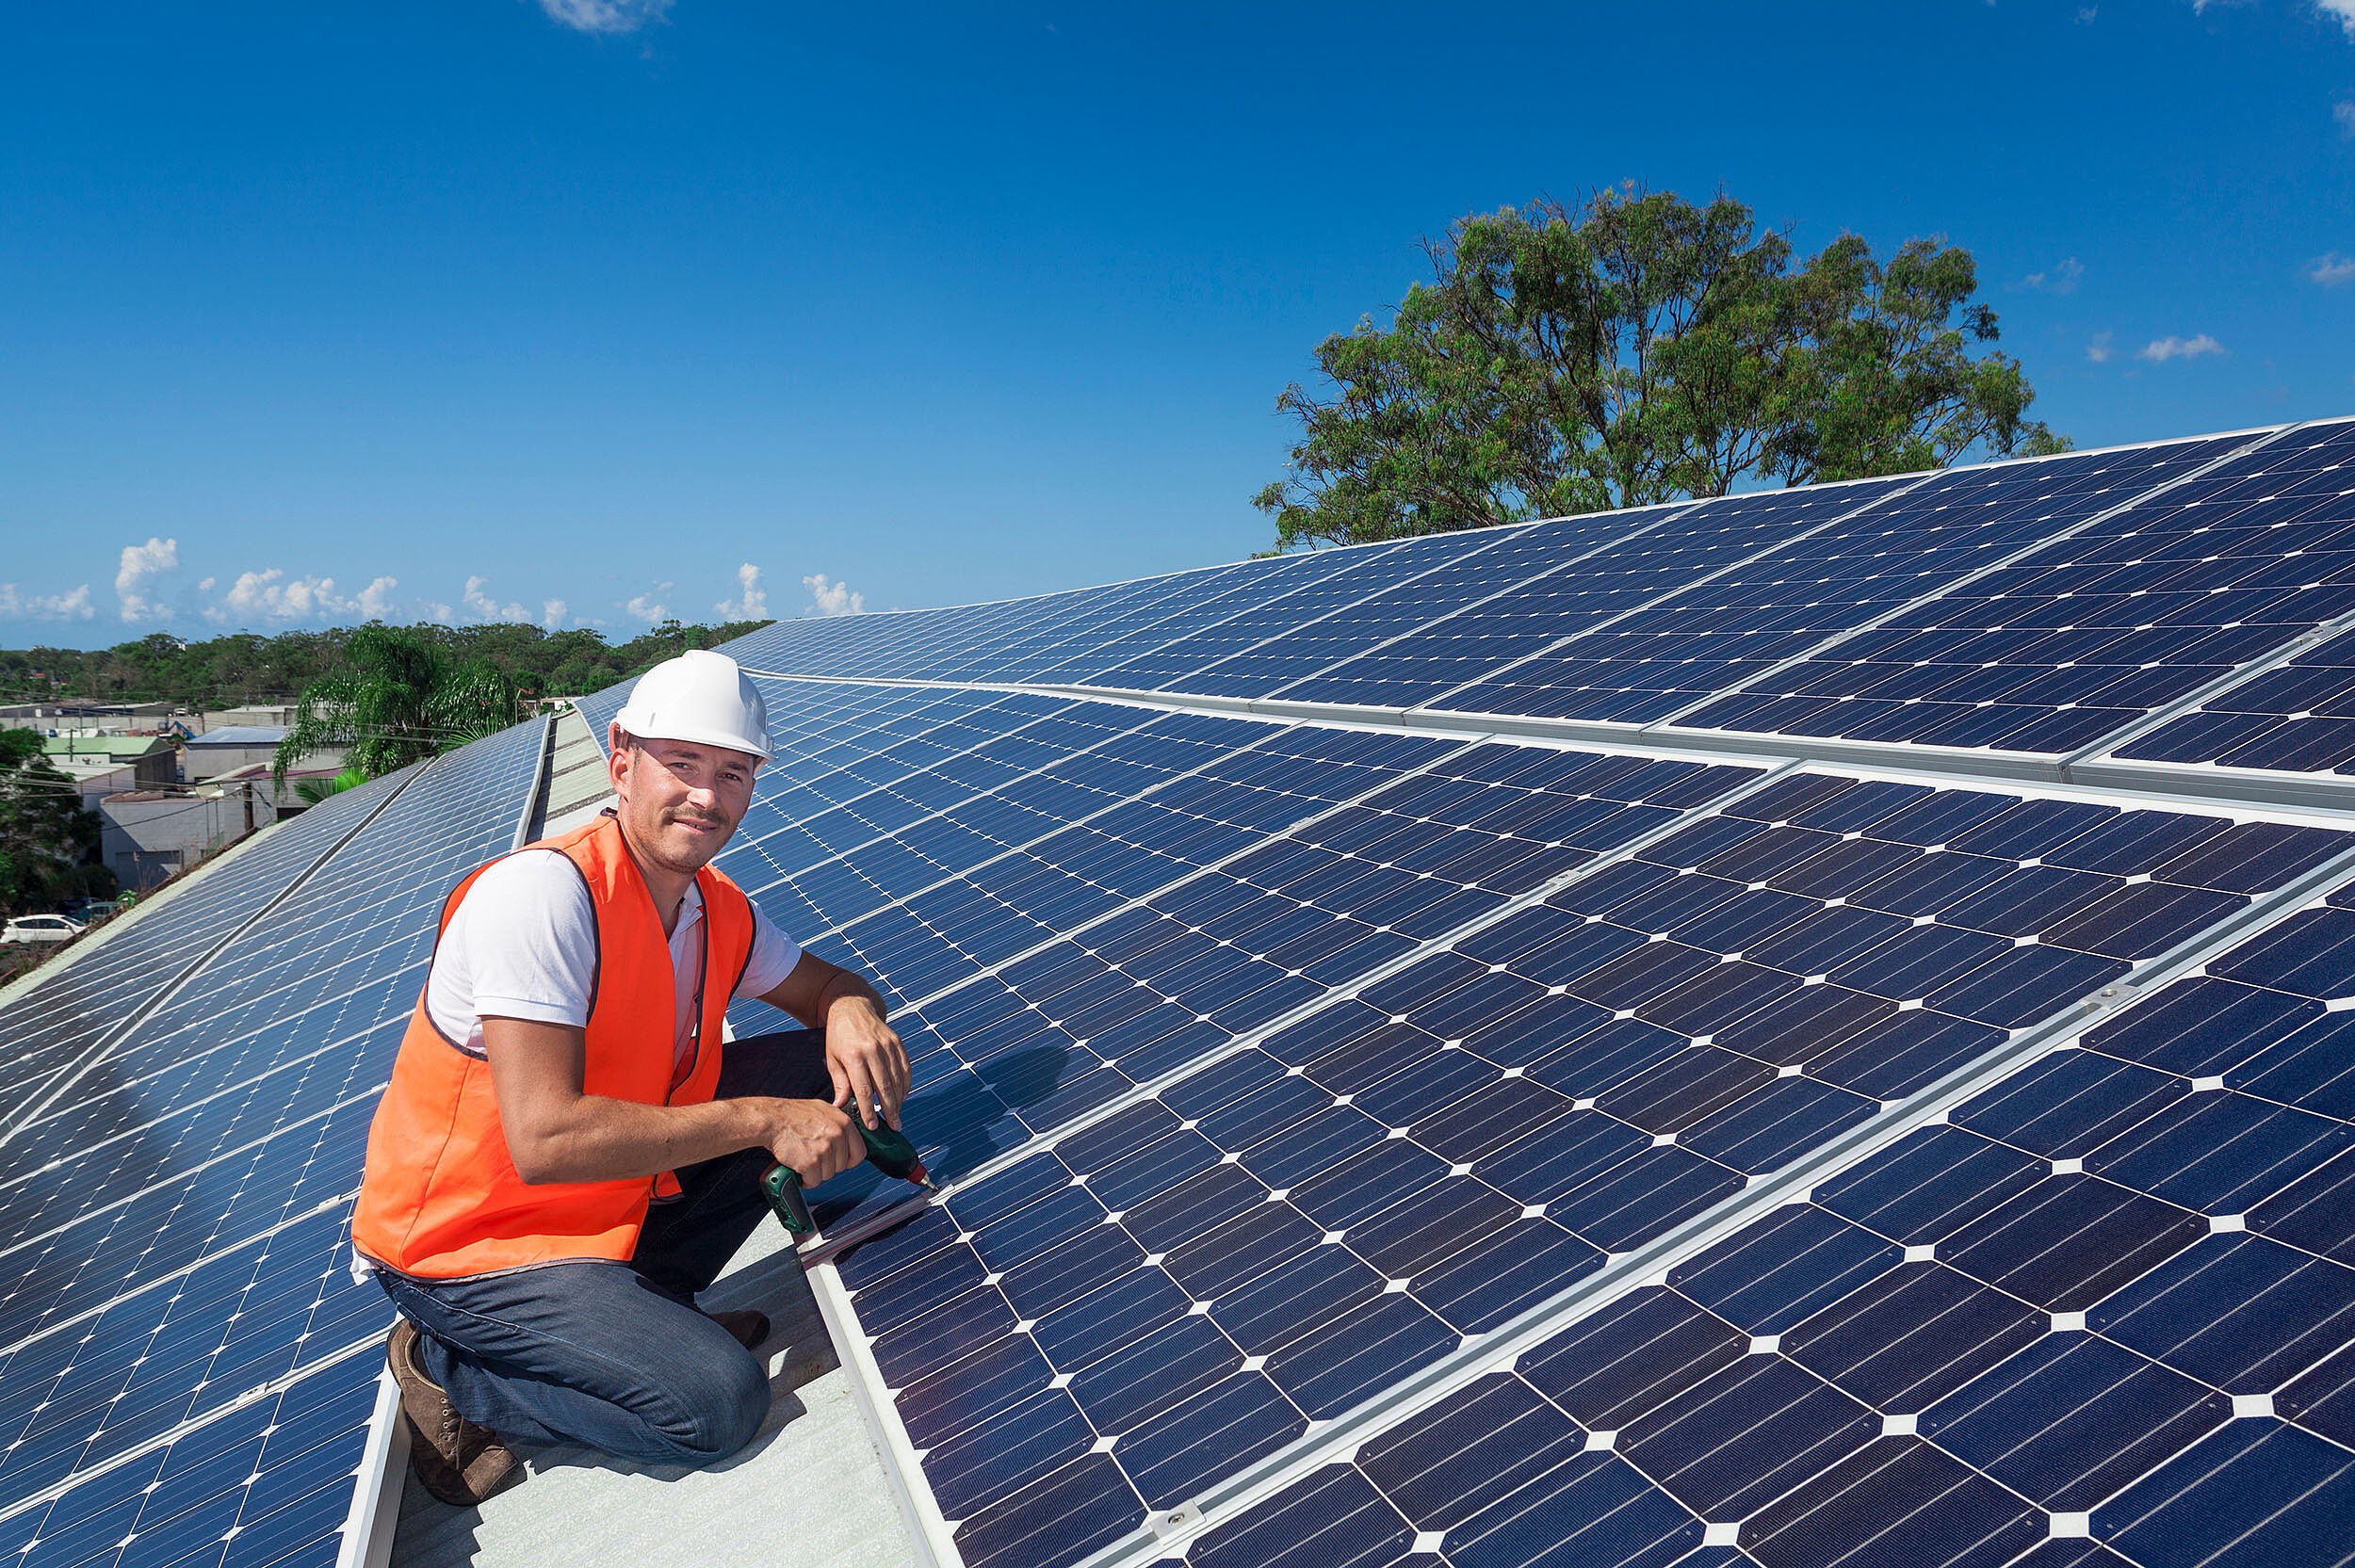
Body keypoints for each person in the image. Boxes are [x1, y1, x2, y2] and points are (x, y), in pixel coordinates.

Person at [349, 650, 911, 1507]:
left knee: (822, 1066)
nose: (706, 795)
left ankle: (646, 1313)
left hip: (599, 1203)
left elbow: (831, 987)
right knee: (715, 1405)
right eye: (681, 763)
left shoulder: (714, 906)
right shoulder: (544, 898)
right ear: (621, 761)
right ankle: (450, 1366)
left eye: (732, 773)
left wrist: (851, 1009)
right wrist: (764, 1119)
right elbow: (545, 1140)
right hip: (470, 1245)